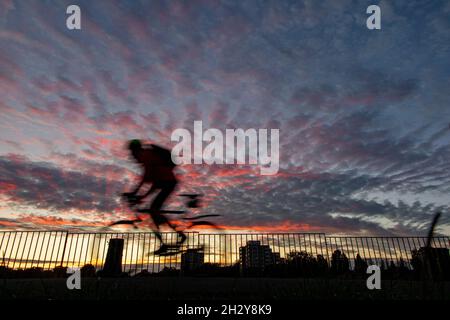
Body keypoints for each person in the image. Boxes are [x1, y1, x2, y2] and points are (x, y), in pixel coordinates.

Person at [124, 139, 186, 254]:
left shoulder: (146, 155)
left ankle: (172, 239)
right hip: (164, 182)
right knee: (154, 211)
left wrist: (134, 193)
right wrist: (140, 196)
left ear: (136, 150)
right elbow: (152, 184)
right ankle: (174, 236)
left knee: (154, 210)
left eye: (132, 153)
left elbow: (145, 179)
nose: (132, 156)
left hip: (167, 182)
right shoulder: (148, 157)